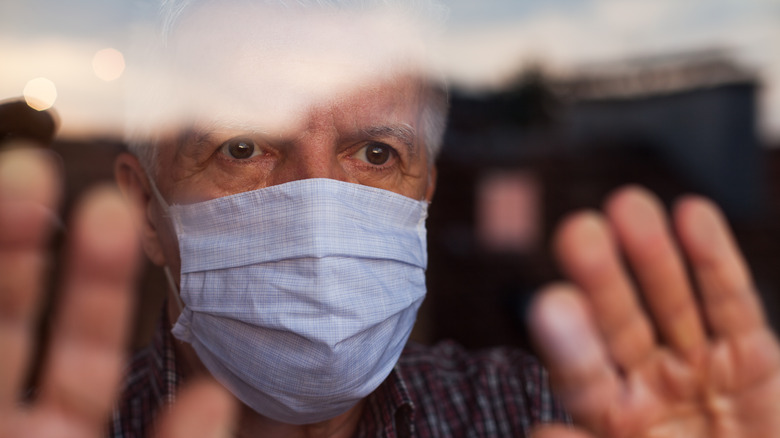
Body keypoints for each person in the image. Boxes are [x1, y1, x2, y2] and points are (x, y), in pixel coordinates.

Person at [1, 1, 780, 438]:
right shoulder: (58, 426)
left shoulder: (544, 416)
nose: (315, 207)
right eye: (242, 146)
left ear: (425, 197)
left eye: (375, 155)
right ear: (146, 206)